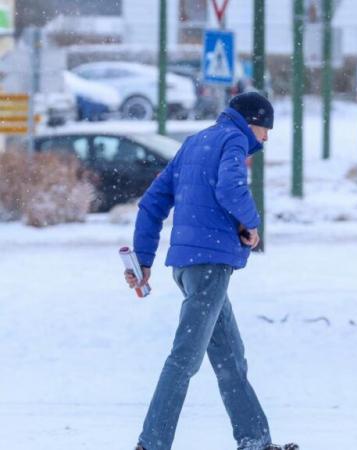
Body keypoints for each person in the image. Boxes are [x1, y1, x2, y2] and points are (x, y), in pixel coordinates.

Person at [124, 92, 297, 450]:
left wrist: (143, 258)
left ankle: (255, 441)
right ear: (252, 122)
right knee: (184, 359)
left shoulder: (195, 142)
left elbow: (153, 201)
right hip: (209, 267)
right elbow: (231, 188)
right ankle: (151, 444)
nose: (265, 139)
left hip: (189, 267)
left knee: (230, 359)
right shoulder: (233, 138)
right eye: (265, 130)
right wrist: (251, 224)